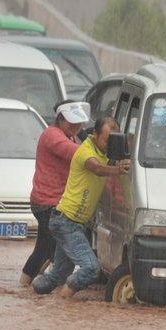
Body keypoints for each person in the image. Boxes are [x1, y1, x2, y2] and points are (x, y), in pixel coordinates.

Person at [32, 117, 130, 298]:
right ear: (94, 135)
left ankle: (31, 294)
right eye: (106, 140)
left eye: (114, 141)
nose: (109, 145)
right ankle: (62, 303)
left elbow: (102, 187)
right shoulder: (86, 151)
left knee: (57, 275)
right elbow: (96, 169)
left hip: (72, 222)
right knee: (91, 268)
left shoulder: (105, 155)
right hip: (65, 221)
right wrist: (118, 170)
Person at [20, 101, 86, 286]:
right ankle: (25, 285)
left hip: (55, 202)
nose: (76, 126)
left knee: (49, 249)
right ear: (60, 120)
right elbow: (77, 154)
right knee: (46, 249)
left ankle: (30, 284)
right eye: (72, 123)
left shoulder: (68, 135)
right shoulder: (53, 136)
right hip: (47, 203)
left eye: (79, 123)